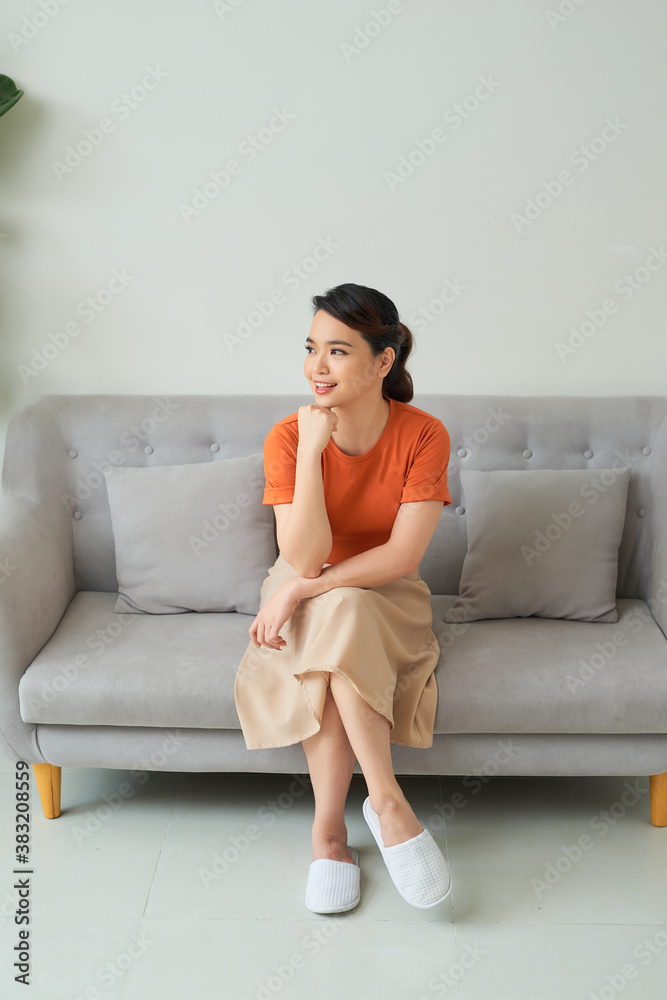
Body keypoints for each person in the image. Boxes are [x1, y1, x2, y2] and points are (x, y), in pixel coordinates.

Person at [234, 282, 453, 913]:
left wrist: (307, 588)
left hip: (385, 590)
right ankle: (376, 810)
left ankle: (339, 829)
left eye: (337, 351)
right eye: (311, 349)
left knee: (347, 607)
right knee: (337, 614)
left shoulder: (424, 434)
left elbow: (402, 557)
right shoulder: (287, 436)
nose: (316, 367)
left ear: (383, 362)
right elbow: (302, 557)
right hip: (306, 585)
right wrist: (311, 453)